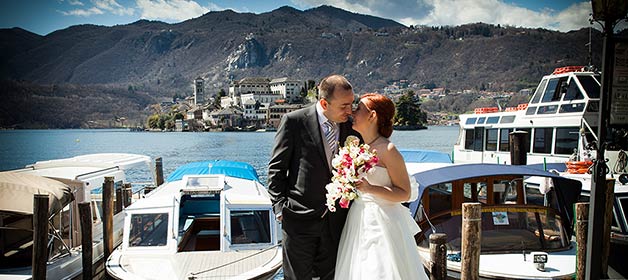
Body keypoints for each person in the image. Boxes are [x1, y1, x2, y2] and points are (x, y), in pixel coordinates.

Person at [268, 74, 361, 280]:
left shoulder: (352, 127)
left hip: (337, 223)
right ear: (324, 103)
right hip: (298, 219)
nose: (350, 110)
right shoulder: (294, 122)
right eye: (344, 106)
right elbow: (276, 169)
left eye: (351, 104)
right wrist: (280, 208)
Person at [334, 93, 429, 280]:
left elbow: (404, 193)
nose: (353, 112)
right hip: (358, 218)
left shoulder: (388, 150)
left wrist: (370, 189)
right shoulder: (361, 147)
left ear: (372, 116)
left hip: (383, 222)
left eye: (359, 108)